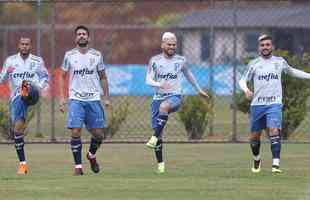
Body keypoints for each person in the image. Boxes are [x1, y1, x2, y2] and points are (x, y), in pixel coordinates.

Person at [239, 34, 310, 173]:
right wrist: (246, 90)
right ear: (259, 48)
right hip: (257, 105)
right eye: (262, 45)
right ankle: (257, 159)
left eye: (267, 45)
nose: (265, 47)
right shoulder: (253, 64)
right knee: (254, 137)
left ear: (272, 47)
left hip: (274, 103)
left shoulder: (279, 62)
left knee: (274, 130)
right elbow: (242, 80)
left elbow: (292, 71)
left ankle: (275, 164)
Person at [145, 32, 208, 173]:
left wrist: (198, 89)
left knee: (164, 106)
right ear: (162, 45)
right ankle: (160, 165)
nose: (172, 47)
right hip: (157, 98)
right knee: (159, 131)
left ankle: (154, 137)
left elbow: (189, 75)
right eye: (169, 44)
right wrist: (158, 84)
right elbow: (147, 80)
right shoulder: (154, 60)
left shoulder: (180, 60)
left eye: (174, 44)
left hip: (175, 97)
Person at [59, 25, 110, 176]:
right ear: (76, 38)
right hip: (76, 100)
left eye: (84, 34)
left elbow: (103, 77)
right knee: (75, 131)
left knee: (99, 134)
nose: (81, 36)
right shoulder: (69, 55)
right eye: (79, 34)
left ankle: (91, 155)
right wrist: (62, 97)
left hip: (94, 100)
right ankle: (78, 167)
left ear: (88, 37)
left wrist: (106, 98)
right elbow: (62, 75)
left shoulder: (97, 55)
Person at [0, 37, 49, 175]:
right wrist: (7, 73)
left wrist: (39, 87)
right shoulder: (10, 61)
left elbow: (45, 77)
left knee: (26, 84)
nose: (25, 46)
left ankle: (26, 89)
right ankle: (23, 165)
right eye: (22, 44)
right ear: (19, 45)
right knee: (17, 130)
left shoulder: (37, 61)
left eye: (27, 44)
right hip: (17, 97)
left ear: (30, 46)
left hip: (32, 92)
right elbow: (2, 79)